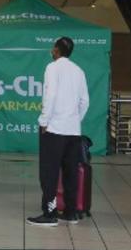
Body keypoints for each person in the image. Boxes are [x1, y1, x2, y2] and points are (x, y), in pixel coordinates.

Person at [27, 37, 89, 227]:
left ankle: (50, 213)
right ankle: (71, 212)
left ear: (56, 50)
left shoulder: (52, 68)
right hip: (73, 130)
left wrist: (44, 121)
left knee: (49, 172)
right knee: (70, 171)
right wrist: (75, 120)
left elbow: (50, 94)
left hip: (54, 129)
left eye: (53, 48)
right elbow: (85, 101)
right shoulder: (79, 70)